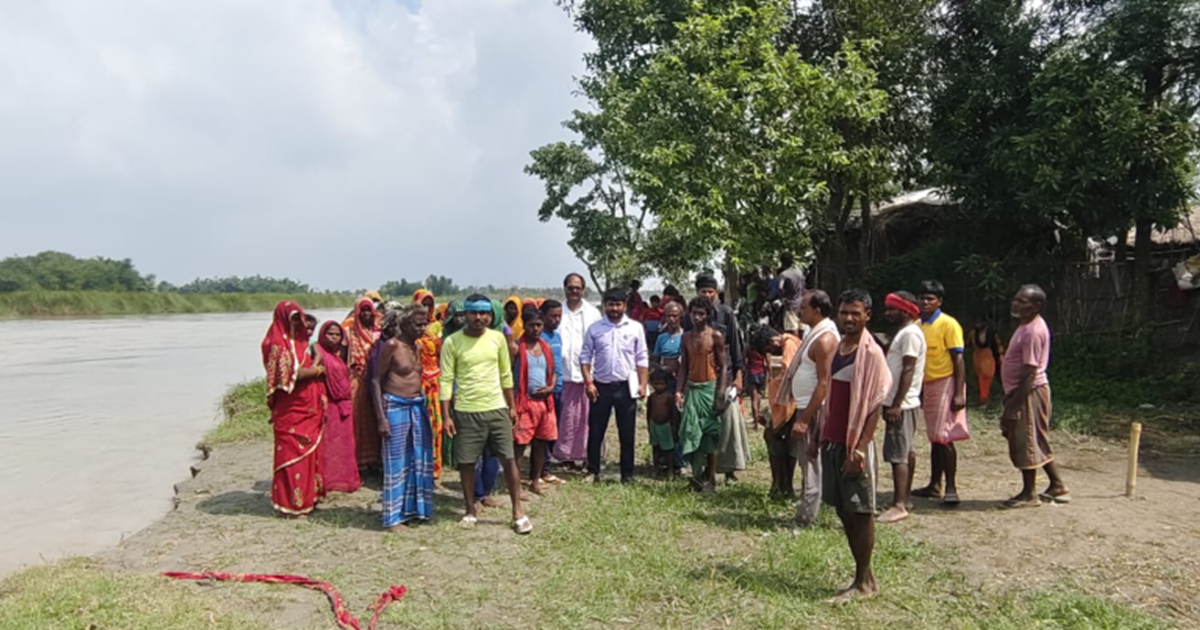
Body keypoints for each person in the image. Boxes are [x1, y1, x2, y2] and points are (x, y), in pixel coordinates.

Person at [820, 289, 892, 602]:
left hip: (853, 446)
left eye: (855, 313)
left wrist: (860, 449)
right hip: (833, 440)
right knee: (844, 509)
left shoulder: (871, 353)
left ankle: (863, 582)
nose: (849, 318)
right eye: (844, 312)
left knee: (860, 511)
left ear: (867, 316)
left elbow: (875, 404)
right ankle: (866, 577)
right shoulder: (839, 347)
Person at [440, 295, 531, 534]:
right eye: (473, 313)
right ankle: (470, 510)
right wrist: (446, 416)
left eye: (484, 313)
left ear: (490, 316)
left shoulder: (498, 338)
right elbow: (446, 380)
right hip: (466, 411)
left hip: (497, 408)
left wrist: (511, 406)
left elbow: (505, 375)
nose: (479, 318)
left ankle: (517, 512)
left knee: (508, 460)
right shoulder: (452, 342)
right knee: (467, 463)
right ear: (465, 315)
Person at [1000, 285, 1070, 508]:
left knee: (1026, 439)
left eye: (1023, 302)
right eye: (1016, 299)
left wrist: (1013, 407)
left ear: (1036, 306)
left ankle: (1029, 494)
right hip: (1022, 391)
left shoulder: (1033, 331)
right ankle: (1057, 484)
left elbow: (1030, 372)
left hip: (1029, 392)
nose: (1017, 304)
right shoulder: (1025, 326)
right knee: (1035, 438)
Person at [777, 290, 839, 527]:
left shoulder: (825, 339)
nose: (799, 311)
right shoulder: (815, 333)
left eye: (803, 307)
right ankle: (808, 508)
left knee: (811, 460)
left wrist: (804, 418)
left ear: (817, 310)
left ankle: (806, 515)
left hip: (813, 409)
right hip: (805, 406)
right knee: (808, 461)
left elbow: (824, 382)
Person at [371, 305, 434, 529]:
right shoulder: (392, 346)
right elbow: (376, 380)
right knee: (395, 463)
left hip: (416, 407)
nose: (423, 328)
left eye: (424, 323)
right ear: (405, 324)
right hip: (395, 407)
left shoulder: (416, 347)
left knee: (418, 460)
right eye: (418, 324)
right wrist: (381, 418)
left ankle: (413, 510)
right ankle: (393, 517)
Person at [263, 301, 327, 518]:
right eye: (292, 319)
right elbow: (292, 375)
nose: (297, 323)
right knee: (292, 453)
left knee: (310, 455)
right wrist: (318, 367)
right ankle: (292, 504)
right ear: (282, 319)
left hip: (309, 407)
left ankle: (309, 497)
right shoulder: (276, 344)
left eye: (298, 318)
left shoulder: (301, 343)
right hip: (291, 410)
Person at [581, 287, 650, 484]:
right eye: (610, 304)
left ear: (625, 306)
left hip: (626, 387)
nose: (614, 308)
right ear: (605, 306)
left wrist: (643, 384)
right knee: (596, 430)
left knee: (627, 432)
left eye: (618, 304)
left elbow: (642, 357)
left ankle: (627, 474)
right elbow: (585, 356)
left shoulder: (635, 327)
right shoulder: (595, 329)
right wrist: (588, 382)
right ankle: (593, 471)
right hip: (600, 387)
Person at [914, 280, 970, 506]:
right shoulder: (917, 325)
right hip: (927, 384)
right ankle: (934, 484)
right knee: (934, 437)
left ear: (939, 301)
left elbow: (958, 359)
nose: (925, 302)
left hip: (945, 382)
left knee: (944, 437)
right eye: (922, 298)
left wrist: (959, 392)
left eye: (930, 299)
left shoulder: (948, 324)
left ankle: (951, 488)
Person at [690, 275, 749, 483]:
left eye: (710, 291)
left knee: (728, 424)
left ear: (716, 292)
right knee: (704, 426)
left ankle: (729, 469)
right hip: (700, 380)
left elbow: (735, 346)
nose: (707, 295)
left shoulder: (726, 314)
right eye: (703, 291)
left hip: (726, 376)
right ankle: (703, 471)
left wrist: (739, 375)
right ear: (697, 291)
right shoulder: (692, 315)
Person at [877, 292, 926, 524]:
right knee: (905, 450)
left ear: (905, 311)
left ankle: (899, 504)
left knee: (898, 454)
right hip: (901, 401)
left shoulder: (910, 335)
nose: (887, 313)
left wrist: (896, 404)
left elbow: (908, 369)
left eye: (891, 309)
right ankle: (904, 498)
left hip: (902, 404)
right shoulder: (905, 334)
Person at [677, 297, 728, 493]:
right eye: (694, 313)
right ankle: (696, 477)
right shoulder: (686, 338)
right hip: (692, 389)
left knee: (710, 434)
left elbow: (723, 366)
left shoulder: (715, 336)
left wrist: (720, 393)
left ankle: (711, 478)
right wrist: (679, 391)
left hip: (710, 388)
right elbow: (683, 367)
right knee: (692, 431)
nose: (697, 317)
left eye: (701, 313)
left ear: (708, 315)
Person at [553, 273, 603, 469]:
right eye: (570, 287)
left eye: (578, 288)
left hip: (587, 375)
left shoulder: (593, 314)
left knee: (585, 417)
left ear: (583, 290)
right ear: (565, 288)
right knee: (564, 416)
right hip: (562, 374)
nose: (574, 291)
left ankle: (583, 455)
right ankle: (562, 455)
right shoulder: (558, 311)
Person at [513, 309, 558, 496]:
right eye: (532, 325)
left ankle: (535, 480)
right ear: (524, 325)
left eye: (539, 325)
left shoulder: (546, 347)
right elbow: (508, 376)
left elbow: (554, 371)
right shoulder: (516, 347)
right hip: (524, 403)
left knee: (541, 443)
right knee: (519, 446)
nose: (536, 329)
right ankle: (514, 484)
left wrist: (551, 387)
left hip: (544, 404)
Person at [315, 321, 361, 494]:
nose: (334, 338)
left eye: (337, 335)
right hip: (330, 404)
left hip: (344, 404)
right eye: (330, 334)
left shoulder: (339, 353)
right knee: (329, 444)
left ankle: (345, 479)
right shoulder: (318, 351)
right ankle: (329, 480)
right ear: (322, 335)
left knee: (345, 443)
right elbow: (315, 372)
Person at [761, 325, 800, 499]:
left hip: (791, 403)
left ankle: (782, 484)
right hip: (790, 401)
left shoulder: (790, 344)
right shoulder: (790, 343)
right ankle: (783, 484)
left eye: (770, 349)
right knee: (785, 442)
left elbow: (788, 373)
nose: (772, 352)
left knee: (774, 436)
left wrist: (774, 385)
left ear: (773, 341)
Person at [412, 290, 447, 482]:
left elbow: (441, 357)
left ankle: (434, 467)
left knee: (436, 426)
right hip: (417, 383)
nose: (425, 309)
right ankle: (418, 467)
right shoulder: (409, 329)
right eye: (422, 304)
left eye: (429, 305)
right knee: (418, 426)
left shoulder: (436, 327)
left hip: (434, 383)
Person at [347, 297, 383, 474]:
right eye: (363, 311)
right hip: (357, 382)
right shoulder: (349, 333)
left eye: (370, 310)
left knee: (376, 420)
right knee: (359, 422)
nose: (367, 314)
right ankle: (359, 462)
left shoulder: (378, 332)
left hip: (376, 382)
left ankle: (375, 461)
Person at [538, 300, 567, 486]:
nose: (556, 320)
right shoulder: (538, 338)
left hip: (558, 389)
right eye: (553, 316)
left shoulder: (557, 337)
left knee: (552, 432)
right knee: (540, 434)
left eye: (559, 316)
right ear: (543, 316)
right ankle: (538, 470)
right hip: (542, 392)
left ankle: (546, 469)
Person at [646, 368, 679, 477]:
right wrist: (649, 425)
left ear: (666, 383)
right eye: (656, 384)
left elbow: (674, 413)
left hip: (666, 425)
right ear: (651, 384)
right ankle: (656, 468)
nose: (659, 386)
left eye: (661, 383)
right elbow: (649, 411)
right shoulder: (651, 397)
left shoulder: (669, 397)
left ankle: (670, 470)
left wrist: (674, 426)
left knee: (668, 449)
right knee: (655, 448)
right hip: (654, 424)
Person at [968, 317, 1004, 406]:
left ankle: (984, 398)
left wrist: (1000, 355)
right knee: (980, 378)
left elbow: (998, 344)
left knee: (986, 377)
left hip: (989, 357)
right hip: (978, 358)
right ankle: (983, 397)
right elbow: (967, 343)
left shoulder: (991, 333)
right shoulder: (973, 333)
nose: (978, 324)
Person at [652, 301, 684, 382]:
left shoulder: (686, 337)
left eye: (675, 316)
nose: (671, 319)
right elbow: (655, 360)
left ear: (680, 317)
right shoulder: (661, 338)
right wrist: (662, 368)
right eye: (668, 316)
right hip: (665, 380)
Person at [776, 253, 806, 334]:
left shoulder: (784, 274)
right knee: (801, 327)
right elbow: (804, 286)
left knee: (792, 328)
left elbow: (780, 287)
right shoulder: (799, 273)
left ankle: (795, 345)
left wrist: (783, 298)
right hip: (800, 303)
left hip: (790, 304)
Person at [745, 345, 768, 428]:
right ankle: (758, 417)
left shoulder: (748, 348)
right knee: (758, 397)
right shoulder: (763, 348)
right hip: (761, 372)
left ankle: (755, 423)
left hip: (752, 373)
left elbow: (745, 360)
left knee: (753, 399)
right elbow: (767, 362)